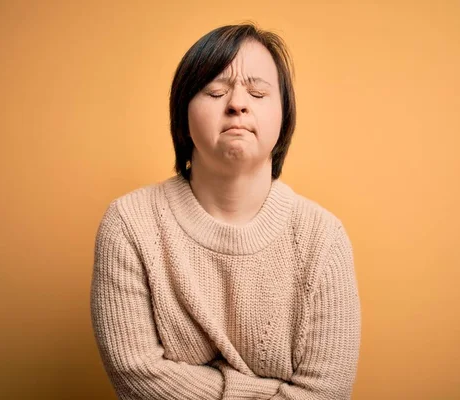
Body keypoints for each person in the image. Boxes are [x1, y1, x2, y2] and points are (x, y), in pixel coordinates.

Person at [90, 23, 361, 400]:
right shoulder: (129, 224)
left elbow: (327, 393)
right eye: (215, 90)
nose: (237, 103)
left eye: (257, 92)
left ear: (284, 120)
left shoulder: (323, 238)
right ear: (182, 115)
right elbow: (137, 376)